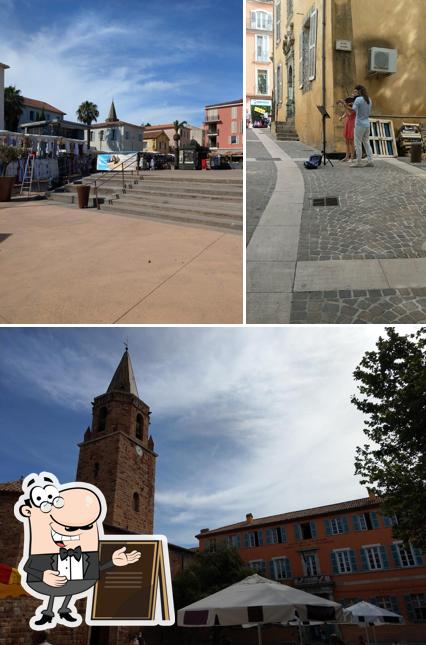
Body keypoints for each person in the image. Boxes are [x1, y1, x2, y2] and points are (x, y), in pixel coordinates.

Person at [350, 84, 374, 168]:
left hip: (359, 124)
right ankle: (370, 160)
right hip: (367, 124)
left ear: (359, 91)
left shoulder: (358, 99)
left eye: (355, 91)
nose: (354, 93)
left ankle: (358, 162)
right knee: (367, 143)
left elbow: (352, 110)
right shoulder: (369, 99)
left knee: (358, 143)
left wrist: (344, 103)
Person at [337, 97, 356, 162]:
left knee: (351, 142)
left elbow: (350, 113)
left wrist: (344, 105)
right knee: (347, 142)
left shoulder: (353, 107)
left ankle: (352, 157)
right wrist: (342, 117)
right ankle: (347, 156)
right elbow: (346, 113)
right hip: (347, 123)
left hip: (351, 124)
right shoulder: (348, 107)